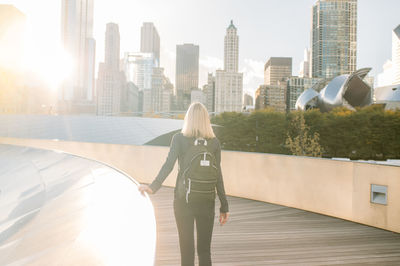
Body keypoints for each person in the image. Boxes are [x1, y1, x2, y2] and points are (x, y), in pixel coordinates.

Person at [139, 102, 229, 266]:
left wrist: (153, 187)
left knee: (186, 252)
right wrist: (224, 206)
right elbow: (218, 175)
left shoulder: (179, 139)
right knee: (204, 251)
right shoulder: (214, 142)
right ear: (206, 120)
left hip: (183, 201)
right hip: (207, 202)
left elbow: (169, 165)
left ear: (189, 118)